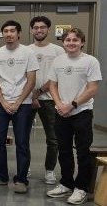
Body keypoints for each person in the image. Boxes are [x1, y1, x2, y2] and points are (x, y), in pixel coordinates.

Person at [45, 28, 101, 205]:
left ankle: (81, 188)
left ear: (82, 42)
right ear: (63, 42)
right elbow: (52, 85)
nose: (71, 43)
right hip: (61, 111)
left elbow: (93, 88)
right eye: (68, 40)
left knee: (83, 152)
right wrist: (59, 104)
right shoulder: (58, 61)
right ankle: (66, 183)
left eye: (75, 40)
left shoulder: (90, 61)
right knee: (64, 150)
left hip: (82, 112)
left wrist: (73, 104)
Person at [0, 20, 38, 194]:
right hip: (1, 103)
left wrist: (18, 102)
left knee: (22, 142)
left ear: (18, 33)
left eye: (12, 31)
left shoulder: (28, 53)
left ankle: (21, 179)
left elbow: (31, 80)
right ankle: (1, 176)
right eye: (5, 31)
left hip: (24, 104)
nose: (8, 34)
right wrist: (4, 101)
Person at [28, 16, 65, 185]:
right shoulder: (26, 50)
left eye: (42, 27)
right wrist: (32, 96)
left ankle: (49, 171)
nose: (39, 30)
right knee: (23, 136)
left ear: (48, 30)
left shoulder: (58, 51)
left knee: (53, 138)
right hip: (27, 99)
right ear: (31, 30)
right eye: (36, 27)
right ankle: (24, 167)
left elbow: (57, 76)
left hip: (50, 99)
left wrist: (39, 92)